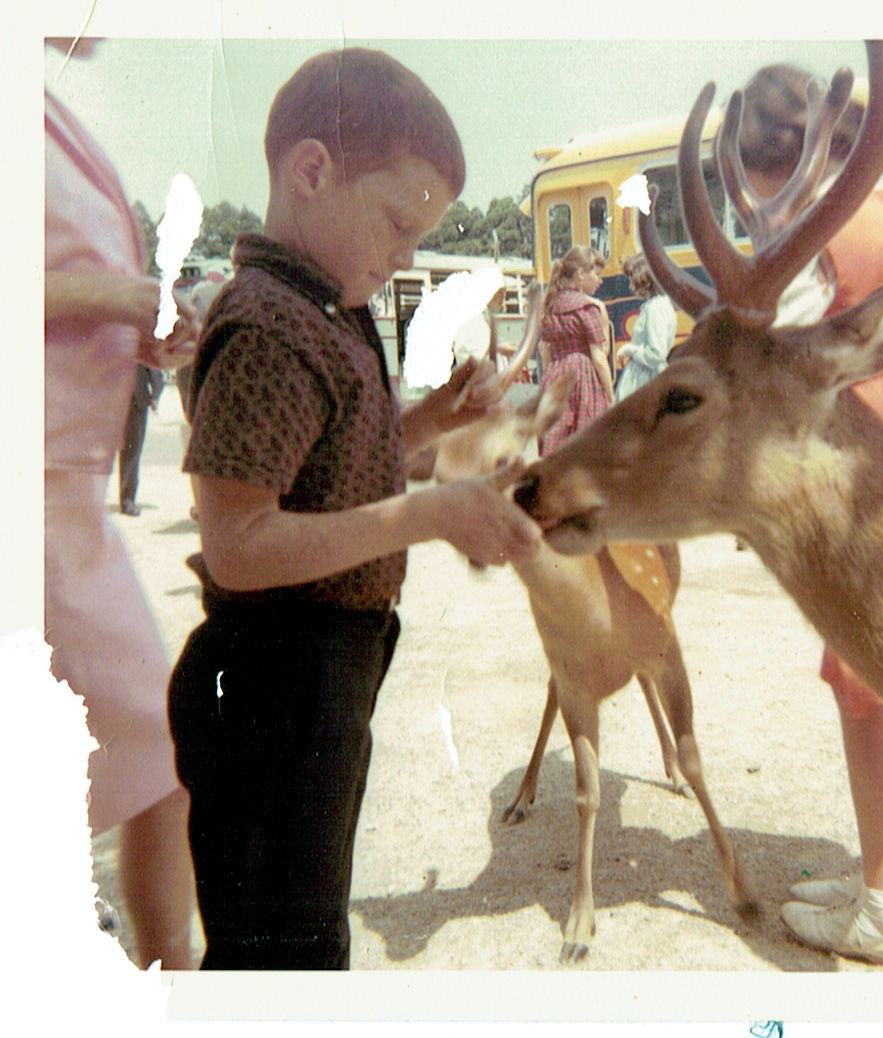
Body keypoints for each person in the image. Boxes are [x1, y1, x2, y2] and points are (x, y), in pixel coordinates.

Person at [165, 48, 542, 970]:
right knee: (279, 954)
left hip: (316, 680)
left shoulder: (326, 309)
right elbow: (240, 543)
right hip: (270, 682)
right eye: (397, 223)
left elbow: (336, 466)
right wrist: (432, 515)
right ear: (311, 172)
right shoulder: (267, 325)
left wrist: (432, 420)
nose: (407, 254)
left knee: (307, 931)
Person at [735, 64, 883, 972]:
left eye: (760, 189)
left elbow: (763, 365)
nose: (767, 210)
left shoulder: (819, 237)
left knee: (866, 676)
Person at [44, 37, 199, 969]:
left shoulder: (47, 109)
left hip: (67, 508)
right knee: (145, 753)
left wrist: (130, 325)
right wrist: (121, 296)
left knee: (153, 757)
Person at [537, 245, 614, 455]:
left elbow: (545, 352)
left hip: (554, 377)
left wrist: (550, 376)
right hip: (583, 379)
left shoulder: (551, 304)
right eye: (596, 274)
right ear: (580, 274)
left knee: (554, 443)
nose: (600, 280)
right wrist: (610, 395)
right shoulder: (586, 307)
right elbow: (598, 357)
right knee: (585, 445)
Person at [614, 253, 676, 401]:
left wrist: (629, 349)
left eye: (631, 279)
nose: (630, 285)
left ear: (643, 278)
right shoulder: (661, 303)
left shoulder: (654, 308)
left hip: (645, 378)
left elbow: (656, 353)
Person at [118, 364, 165, 515]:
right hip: (109, 398)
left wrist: (156, 393)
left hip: (135, 400)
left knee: (132, 450)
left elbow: (152, 363)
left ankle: (128, 499)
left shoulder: (141, 340)